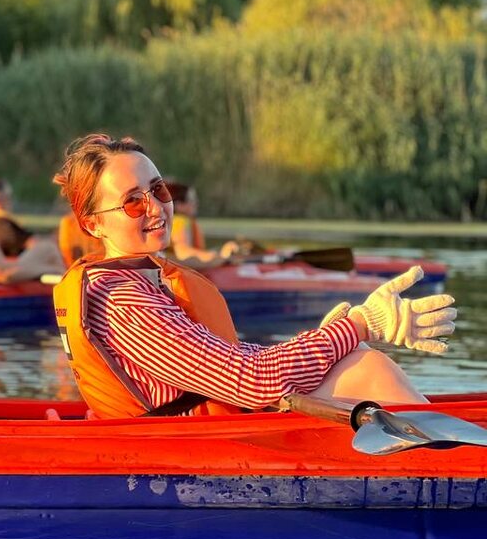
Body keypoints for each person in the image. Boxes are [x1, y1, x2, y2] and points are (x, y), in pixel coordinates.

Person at [50, 133, 456, 420]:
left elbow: (234, 363)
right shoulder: (122, 299)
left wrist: (328, 339)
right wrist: (359, 325)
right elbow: (252, 380)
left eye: (158, 190)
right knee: (368, 369)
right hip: (194, 447)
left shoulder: (137, 281)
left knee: (357, 361)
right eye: (133, 203)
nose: (155, 208)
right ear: (93, 224)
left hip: (207, 425)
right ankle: (456, 468)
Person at [165, 180, 248, 267]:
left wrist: (220, 252)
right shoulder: (180, 221)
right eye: (192, 200)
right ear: (179, 205)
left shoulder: (171, 221)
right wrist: (221, 257)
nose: (196, 202)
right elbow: (183, 252)